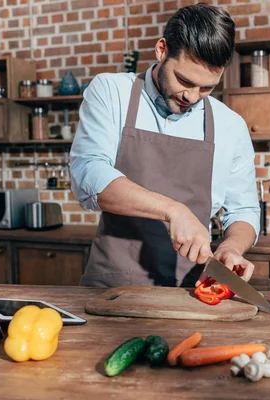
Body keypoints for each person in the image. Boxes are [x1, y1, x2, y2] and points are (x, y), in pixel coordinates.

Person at [70, 3, 260, 288]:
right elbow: (88, 173)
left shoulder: (230, 125)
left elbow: (244, 211)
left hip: (193, 290)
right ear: (162, 50)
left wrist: (231, 247)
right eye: (184, 80)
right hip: (112, 287)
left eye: (207, 87)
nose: (193, 96)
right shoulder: (111, 92)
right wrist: (175, 211)